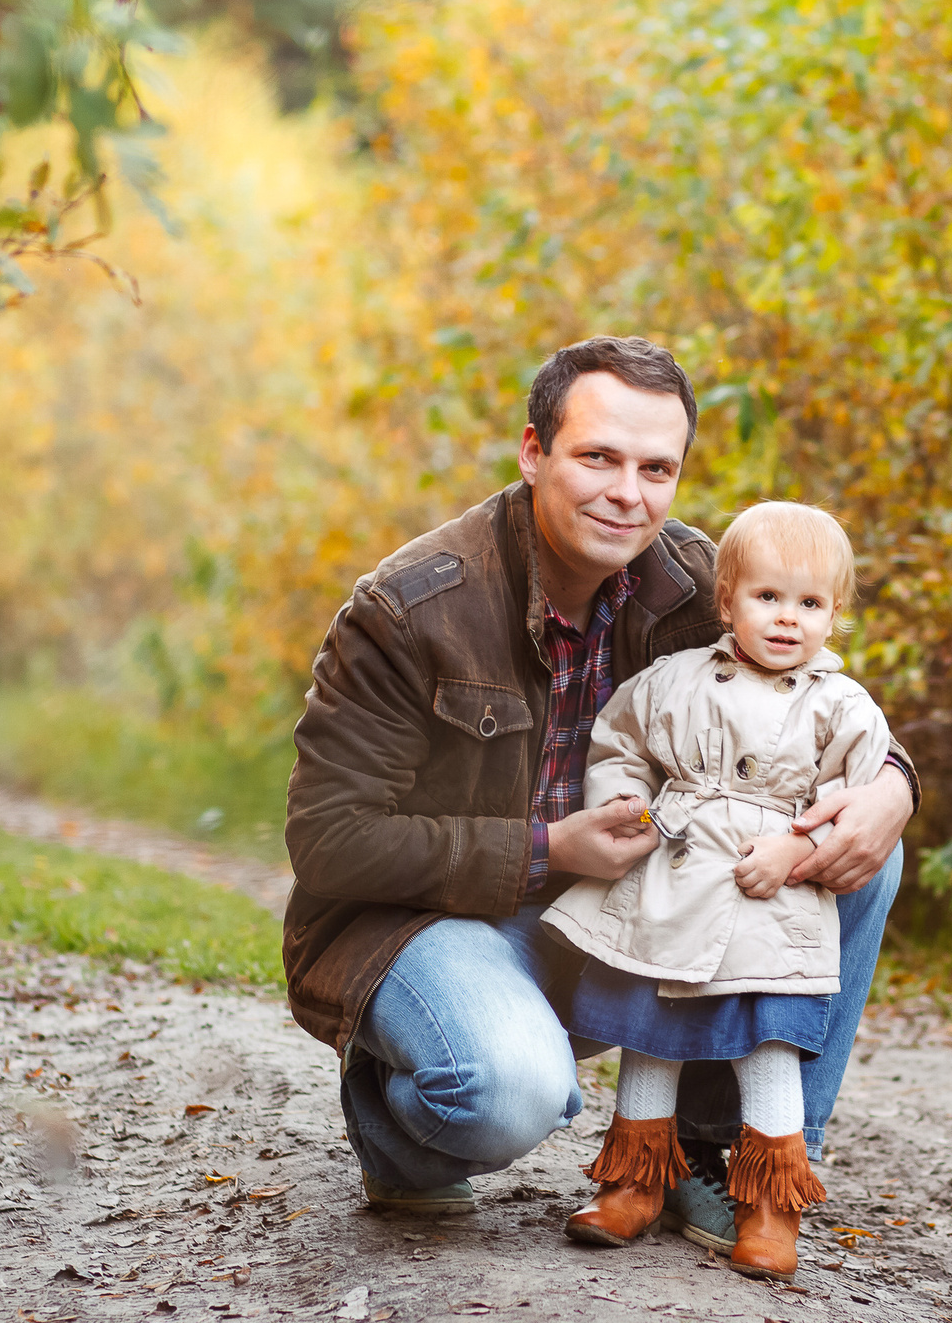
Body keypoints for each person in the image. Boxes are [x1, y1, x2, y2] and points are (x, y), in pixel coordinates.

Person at [280, 335, 918, 1249]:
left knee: (866, 851)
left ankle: (727, 1160)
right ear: (534, 452)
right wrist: (549, 849)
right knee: (505, 1091)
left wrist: (894, 786)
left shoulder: (698, 583)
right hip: (430, 920)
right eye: (598, 458)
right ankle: (401, 1121)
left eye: (656, 467)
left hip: (635, 906)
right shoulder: (410, 609)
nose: (629, 492)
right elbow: (331, 839)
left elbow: (826, 704)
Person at [548, 502, 890, 1279]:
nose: (787, 619)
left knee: (765, 1036)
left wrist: (800, 844)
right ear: (727, 596)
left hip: (773, 897)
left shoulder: (841, 706)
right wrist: (626, 803)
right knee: (653, 1026)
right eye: (768, 597)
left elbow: (860, 800)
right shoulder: (675, 679)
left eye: (810, 604)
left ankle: (769, 1203)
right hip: (675, 874)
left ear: (835, 616)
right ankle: (635, 1178)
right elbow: (620, 741)